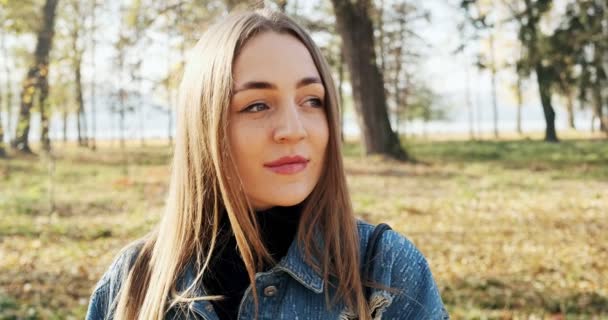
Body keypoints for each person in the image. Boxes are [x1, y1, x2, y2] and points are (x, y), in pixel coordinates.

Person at [85, 9, 448, 320]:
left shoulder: (384, 269)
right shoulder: (136, 280)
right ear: (205, 126)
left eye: (311, 100)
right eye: (257, 105)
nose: (292, 130)